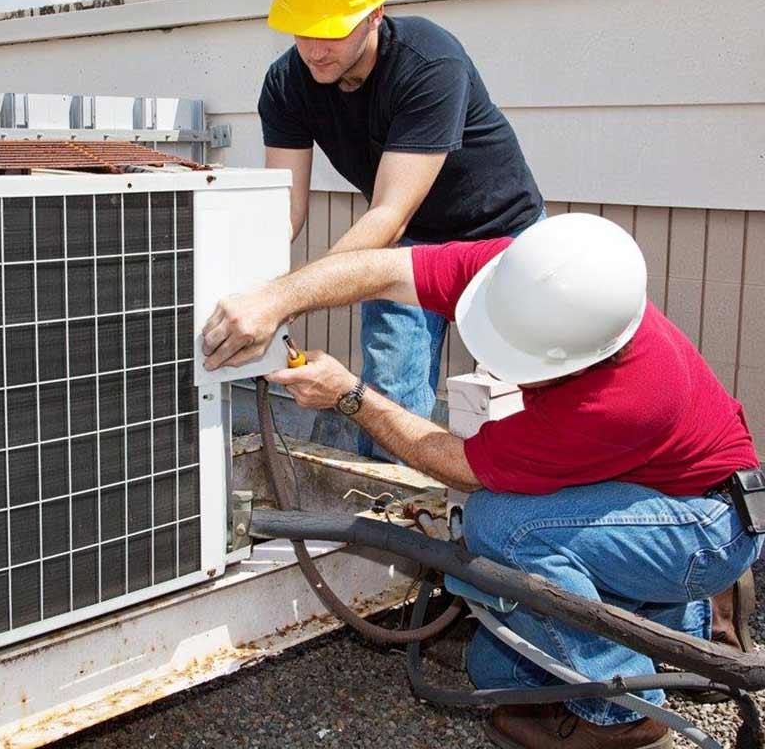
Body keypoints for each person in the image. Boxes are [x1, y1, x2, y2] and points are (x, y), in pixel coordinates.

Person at [204, 214, 759, 749]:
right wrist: (278, 296)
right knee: (490, 667)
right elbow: (383, 268)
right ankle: (699, 617)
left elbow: (458, 463)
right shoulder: (526, 275)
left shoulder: (620, 401)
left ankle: (622, 716)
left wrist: (350, 396)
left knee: (504, 528)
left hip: (705, 522)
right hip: (664, 494)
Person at [258, 0, 547, 460]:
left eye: (335, 28)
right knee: (386, 395)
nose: (316, 48)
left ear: (375, 14)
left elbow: (388, 212)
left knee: (533, 389)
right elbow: (286, 209)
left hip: (503, 239)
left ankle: (521, 516)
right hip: (410, 243)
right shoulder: (286, 83)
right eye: (303, 29)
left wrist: (285, 298)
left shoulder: (429, 61)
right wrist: (252, 287)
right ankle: (398, 524)